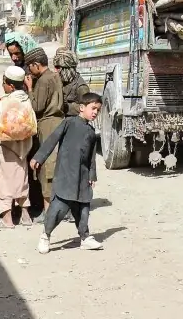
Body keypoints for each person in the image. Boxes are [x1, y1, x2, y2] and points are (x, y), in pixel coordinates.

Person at [29, 93, 104, 254]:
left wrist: (92, 175)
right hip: (66, 173)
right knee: (59, 207)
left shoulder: (91, 132)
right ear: (82, 108)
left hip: (82, 176)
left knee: (83, 207)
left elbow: (91, 157)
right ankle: (45, 236)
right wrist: (39, 157)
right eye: (93, 108)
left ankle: (85, 237)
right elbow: (52, 139)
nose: (95, 112)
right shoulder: (69, 123)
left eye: (98, 110)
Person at [0, 67, 37, 228]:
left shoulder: (6, 102)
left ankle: (7, 220)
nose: (3, 86)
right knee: (22, 180)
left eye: (4, 83)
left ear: (9, 85)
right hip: (23, 148)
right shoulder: (26, 99)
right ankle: (25, 216)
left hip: (7, 148)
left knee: (5, 183)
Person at [25, 48, 64, 214]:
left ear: (36, 65)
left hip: (47, 124)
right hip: (58, 122)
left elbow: (37, 107)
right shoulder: (55, 76)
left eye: (30, 67)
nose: (29, 71)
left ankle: (49, 211)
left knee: (47, 167)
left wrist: (29, 88)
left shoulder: (42, 81)